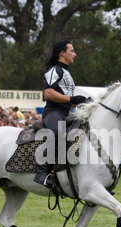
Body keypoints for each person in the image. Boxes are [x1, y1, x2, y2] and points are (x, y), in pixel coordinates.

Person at [34, 40, 86, 187]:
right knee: (57, 132)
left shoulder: (67, 73)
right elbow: (49, 93)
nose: (74, 54)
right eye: (72, 51)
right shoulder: (54, 70)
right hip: (53, 112)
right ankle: (42, 173)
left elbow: (69, 99)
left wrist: (81, 101)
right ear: (62, 53)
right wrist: (71, 99)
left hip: (66, 113)